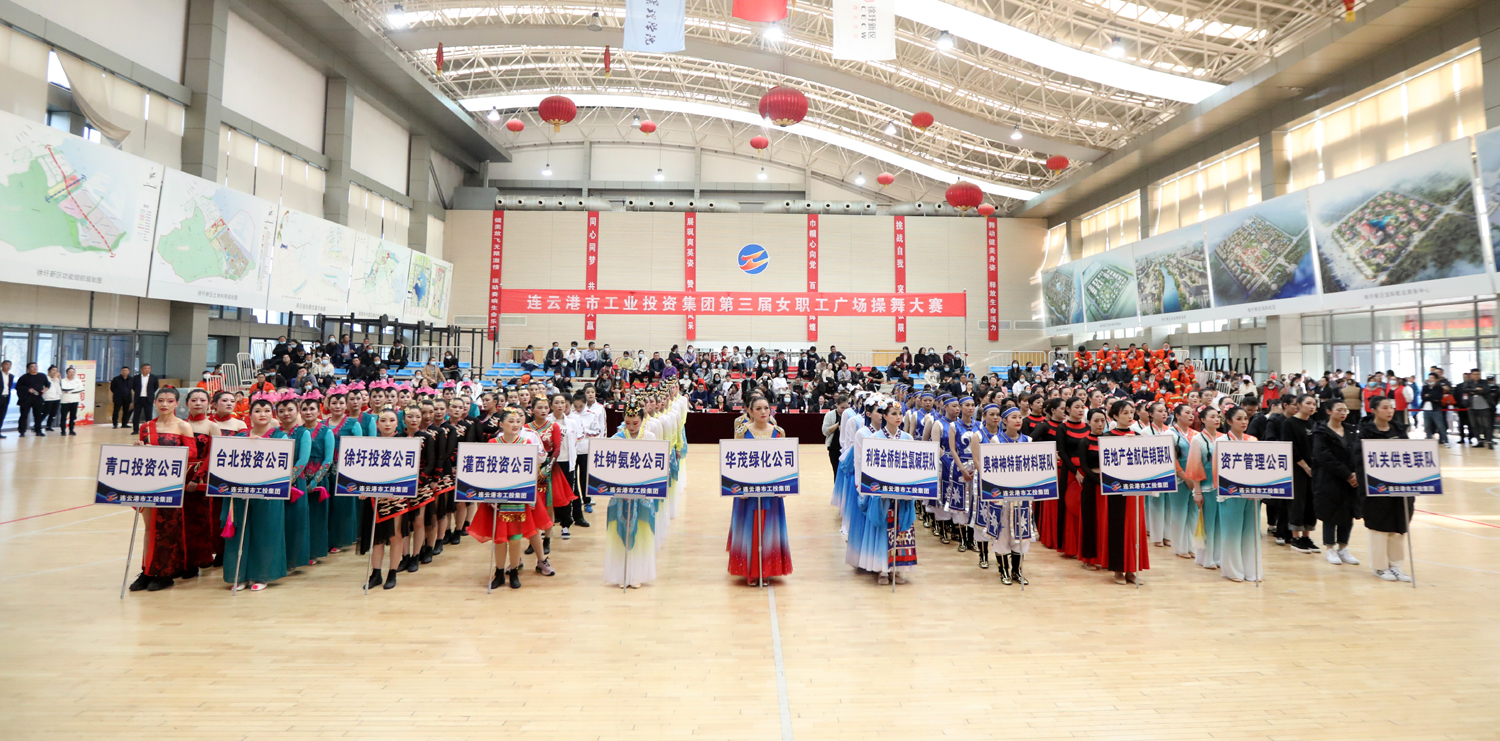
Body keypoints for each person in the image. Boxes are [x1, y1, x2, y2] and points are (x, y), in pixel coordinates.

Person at [126, 387, 205, 593]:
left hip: (172, 483)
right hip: (149, 483)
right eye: (160, 400)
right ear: (154, 402)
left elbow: (192, 455)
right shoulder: (146, 427)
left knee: (168, 528)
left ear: (177, 403)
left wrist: (159, 451)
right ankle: (147, 570)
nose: (164, 404)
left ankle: (165, 572)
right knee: (149, 528)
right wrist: (139, 449)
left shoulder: (183, 426)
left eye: (170, 401)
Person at [471, 408, 551, 590]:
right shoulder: (492, 443)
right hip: (497, 498)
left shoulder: (526, 444)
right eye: (510, 421)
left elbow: (531, 470)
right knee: (499, 538)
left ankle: (514, 571)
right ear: (501, 424)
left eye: (518, 421)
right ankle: (499, 572)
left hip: (518, 497)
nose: (515, 425)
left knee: (515, 538)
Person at [221, 394, 290, 591]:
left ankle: (262, 575)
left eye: (267, 411)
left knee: (265, 532)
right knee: (241, 532)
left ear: (272, 415)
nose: (262, 414)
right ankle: (239, 575)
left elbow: (284, 464)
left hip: (269, 493)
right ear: (249, 414)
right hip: (242, 493)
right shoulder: (239, 438)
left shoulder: (280, 437)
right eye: (258, 411)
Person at [847, 397, 917, 585]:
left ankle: (898, 569)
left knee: (901, 530)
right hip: (881, 495)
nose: (898, 417)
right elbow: (864, 465)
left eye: (900, 413)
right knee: (882, 530)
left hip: (901, 493)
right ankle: (882, 569)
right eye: (894, 414)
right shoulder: (874, 439)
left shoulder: (907, 438)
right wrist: (866, 489)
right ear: (884, 416)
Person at [729, 396, 793, 584]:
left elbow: (784, 462)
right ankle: (752, 570)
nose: (763, 412)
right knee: (751, 527)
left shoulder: (779, 432)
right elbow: (735, 462)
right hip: (748, 491)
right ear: (750, 411)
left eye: (766, 408)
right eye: (758, 408)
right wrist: (739, 488)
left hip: (771, 491)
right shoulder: (742, 432)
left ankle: (767, 570)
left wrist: (785, 485)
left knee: (769, 529)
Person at [1356, 396, 1414, 582]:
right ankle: (1380, 567)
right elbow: (1359, 459)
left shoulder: (1399, 430)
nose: (1390, 411)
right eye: (1385, 407)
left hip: (1400, 485)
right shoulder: (1365, 432)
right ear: (1373, 410)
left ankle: (1395, 565)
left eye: (1392, 407)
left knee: (1398, 526)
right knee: (1379, 527)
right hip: (1377, 488)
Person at [1214, 406, 1260, 583]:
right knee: (1231, 532)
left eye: (1246, 418)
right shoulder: (1221, 441)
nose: (1243, 422)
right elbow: (1217, 470)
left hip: (1252, 493)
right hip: (1230, 493)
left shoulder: (1253, 440)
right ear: (1229, 421)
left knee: (1251, 532)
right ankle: (1232, 570)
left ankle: (1252, 569)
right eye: (1239, 419)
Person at [1312, 400, 1361, 567]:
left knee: (1348, 513)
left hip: (1351, 480)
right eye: (1339, 409)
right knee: (1330, 513)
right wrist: (1347, 474)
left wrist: (1355, 474)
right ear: (1329, 411)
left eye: (1345, 410)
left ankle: (1343, 547)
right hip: (1329, 478)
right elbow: (1324, 456)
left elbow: (1358, 452)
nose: (1343, 413)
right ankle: (1330, 548)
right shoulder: (1321, 432)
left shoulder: (1352, 430)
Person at [1185, 406, 1223, 572]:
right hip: (1207, 487)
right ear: (1203, 420)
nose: (1216, 419)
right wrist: (1197, 491)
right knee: (1208, 523)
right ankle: (1207, 558)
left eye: (1218, 417)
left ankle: (1218, 556)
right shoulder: (1197, 439)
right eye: (1212, 416)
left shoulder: (1223, 438)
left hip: (1222, 487)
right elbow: (1195, 467)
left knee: (1220, 524)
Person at [1165, 404, 1199, 560]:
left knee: (1193, 512)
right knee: (1179, 512)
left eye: (1192, 413)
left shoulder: (1196, 434)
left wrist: (1195, 478)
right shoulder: (1169, 433)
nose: (1191, 415)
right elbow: (1171, 458)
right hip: (1178, 477)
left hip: (1195, 476)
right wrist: (1184, 476)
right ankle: (1179, 547)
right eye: (1187, 413)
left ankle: (1191, 545)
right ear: (1177, 416)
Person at [15, 362, 49, 436]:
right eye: (32, 367)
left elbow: (48, 384)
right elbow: (18, 387)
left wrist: (44, 390)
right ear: (28, 368)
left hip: (37, 398)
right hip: (26, 398)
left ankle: (38, 430)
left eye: (36, 366)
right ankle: (22, 431)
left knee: (38, 415)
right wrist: (28, 389)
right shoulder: (24, 377)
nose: (35, 368)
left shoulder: (42, 376)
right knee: (24, 415)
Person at [127, 364, 158, 434]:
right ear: (142, 369)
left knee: (148, 415)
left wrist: (150, 393)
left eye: (149, 368)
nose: (147, 370)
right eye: (146, 368)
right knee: (136, 414)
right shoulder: (136, 377)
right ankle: (135, 430)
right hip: (138, 398)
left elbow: (156, 387)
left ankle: (148, 430)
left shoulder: (154, 377)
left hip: (148, 398)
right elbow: (133, 386)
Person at [822, 394, 847, 475]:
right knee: (836, 471)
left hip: (846, 448)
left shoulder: (850, 415)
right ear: (837, 405)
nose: (844, 410)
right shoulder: (829, 415)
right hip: (834, 447)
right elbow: (825, 431)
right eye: (842, 408)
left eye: (846, 408)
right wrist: (837, 425)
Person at [56, 366, 84, 435]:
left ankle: (71, 430)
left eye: (73, 372)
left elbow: (80, 389)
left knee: (73, 417)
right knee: (63, 416)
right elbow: (64, 388)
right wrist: (74, 389)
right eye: (70, 372)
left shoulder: (78, 380)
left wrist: (69, 391)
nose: (71, 373)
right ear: (67, 373)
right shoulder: (63, 380)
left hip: (75, 400)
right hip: (65, 401)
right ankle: (63, 430)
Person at [41, 366, 61, 431]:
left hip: (57, 397)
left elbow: (59, 387)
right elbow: (49, 385)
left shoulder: (57, 379)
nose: (55, 372)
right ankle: (37, 425)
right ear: (49, 371)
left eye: (56, 370)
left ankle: (48, 426)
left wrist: (59, 379)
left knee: (53, 413)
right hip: (48, 398)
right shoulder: (45, 378)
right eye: (53, 370)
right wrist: (55, 377)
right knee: (45, 412)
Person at [0, 360, 12, 439]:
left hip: (6, 397)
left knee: (1, 416)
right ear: (2, 365)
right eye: (6, 364)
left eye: (10, 365)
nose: (8, 366)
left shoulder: (11, 376)